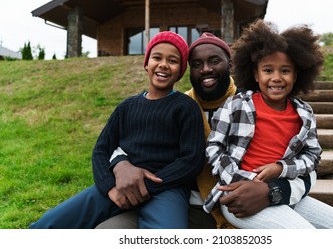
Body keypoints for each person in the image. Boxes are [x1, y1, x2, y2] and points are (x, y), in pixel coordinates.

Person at [95, 31, 333, 229]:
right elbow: (140, 139)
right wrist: (119, 161)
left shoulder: (251, 102)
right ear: (188, 70)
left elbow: (309, 163)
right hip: (194, 202)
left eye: (214, 61)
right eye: (197, 64)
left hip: (263, 195)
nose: (206, 69)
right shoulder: (181, 107)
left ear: (230, 64)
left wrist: (272, 190)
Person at [29, 31, 205, 229]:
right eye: (157, 57)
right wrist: (110, 188)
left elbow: (192, 159)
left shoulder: (186, 107)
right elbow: (101, 150)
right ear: (146, 63)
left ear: (181, 69)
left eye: (172, 60)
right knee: (48, 224)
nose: (163, 64)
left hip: (167, 189)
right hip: (119, 184)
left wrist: (148, 186)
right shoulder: (126, 107)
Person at [202, 19, 333, 229]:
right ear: (256, 74)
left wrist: (280, 168)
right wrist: (241, 179)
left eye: (285, 70)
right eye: (268, 70)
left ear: (296, 74)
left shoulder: (304, 113)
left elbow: (312, 156)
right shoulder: (237, 105)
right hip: (239, 195)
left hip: (281, 188)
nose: (276, 78)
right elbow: (213, 147)